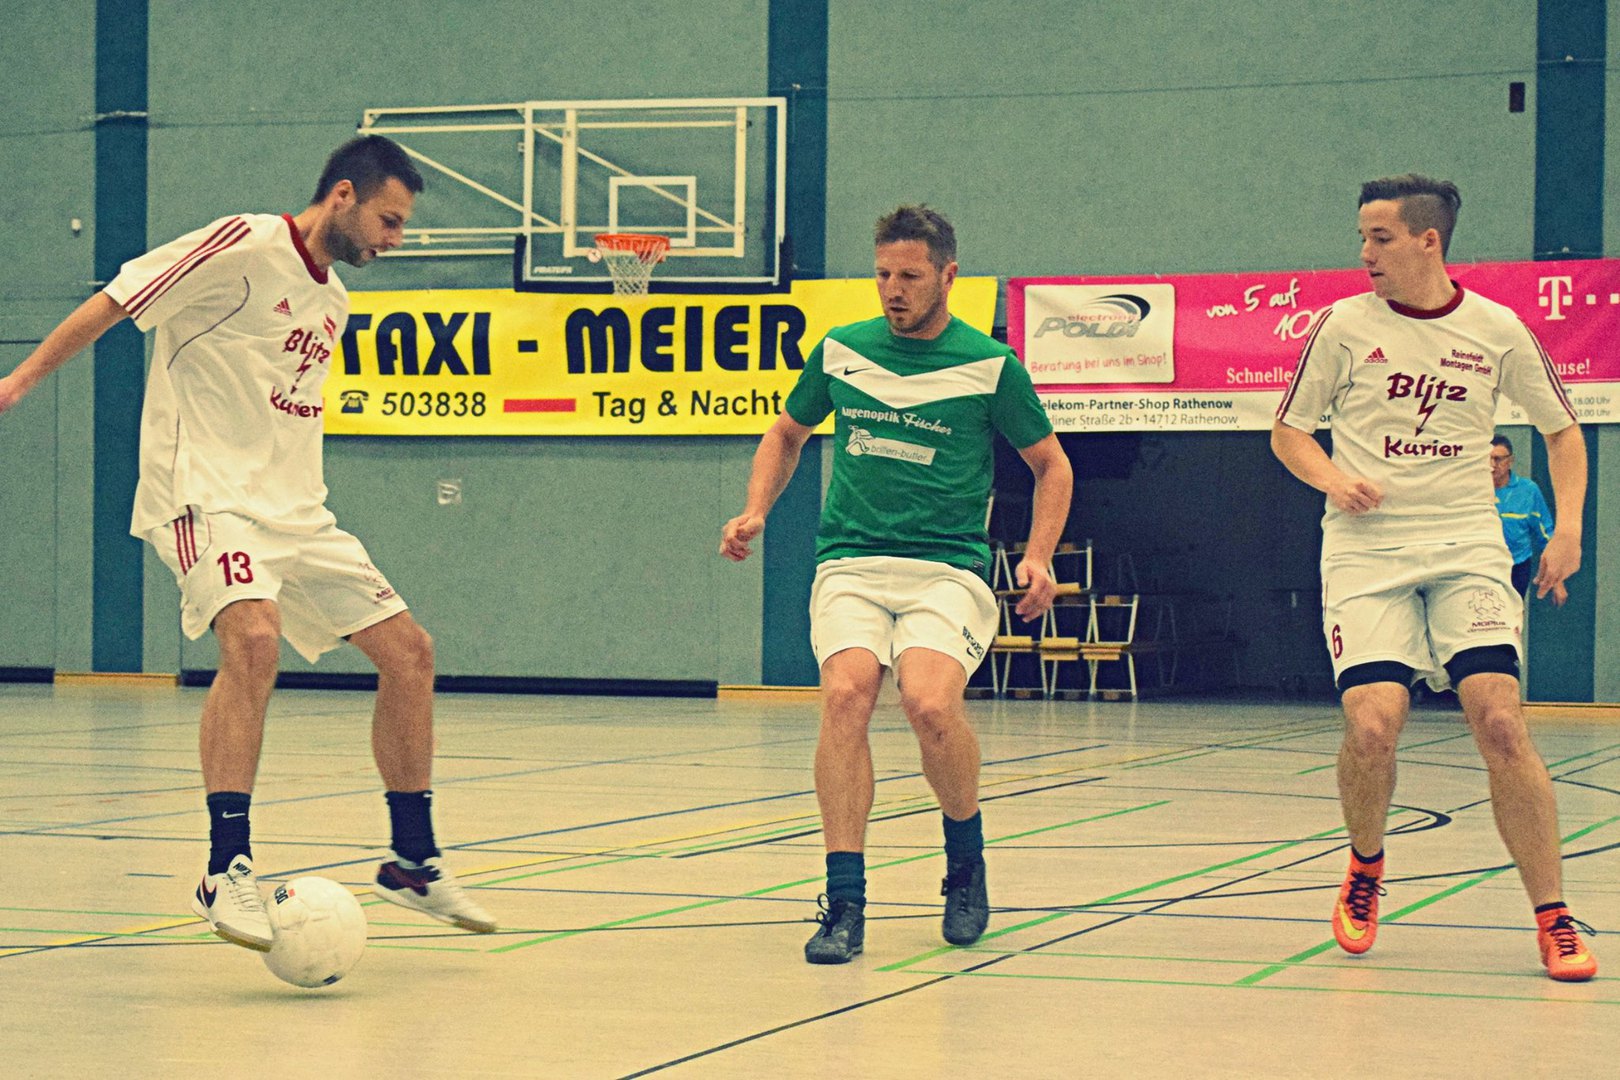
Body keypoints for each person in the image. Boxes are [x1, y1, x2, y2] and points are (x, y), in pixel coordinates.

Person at [0, 135, 495, 950]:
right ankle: (224, 868)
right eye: (390, 220)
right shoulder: (242, 244)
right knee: (255, 640)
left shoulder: (334, 302)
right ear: (343, 195)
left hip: (296, 513)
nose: (395, 239)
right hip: (203, 494)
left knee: (410, 654)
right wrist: (19, 380)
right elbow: (118, 299)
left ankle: (412, 859)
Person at [720, 205, 1073, 964]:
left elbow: (1052, 465)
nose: (892, 289)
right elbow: (786, 433)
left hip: (946, 567)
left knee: (930, 704)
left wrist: (1039, 556)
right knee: (846, 695)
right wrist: (755, 508)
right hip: (851, 560)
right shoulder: (842, 350)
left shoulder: (990, 366)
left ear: (948, 276)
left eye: (910, 276)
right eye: (882, 274)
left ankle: (965, 865)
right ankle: (844, 902)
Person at [1271, 174, 1594, 980]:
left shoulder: (1496, 329)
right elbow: (1289, 433)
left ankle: (1553, 916)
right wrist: (1334, 479)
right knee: (1373, 726)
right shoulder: (1343, 326)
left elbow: (1563, 432)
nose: (1364, 253)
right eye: (1361, 237)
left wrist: (1569, 530)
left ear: (1428, 241)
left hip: (1465, 547)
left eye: (1379, 238)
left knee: (1501, 722)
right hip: (1367, 551)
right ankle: (1366, 864)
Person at [1491, 435, 1559, 601]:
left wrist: (1556, 580)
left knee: (1512, 613)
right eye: (1487, 459)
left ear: (1510, 461)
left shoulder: (1528, 490)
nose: (1492, 465)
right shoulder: (1472, 490)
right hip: (1482, 566)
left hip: (1517, 566)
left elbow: (1545, 532)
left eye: (1498, 459)